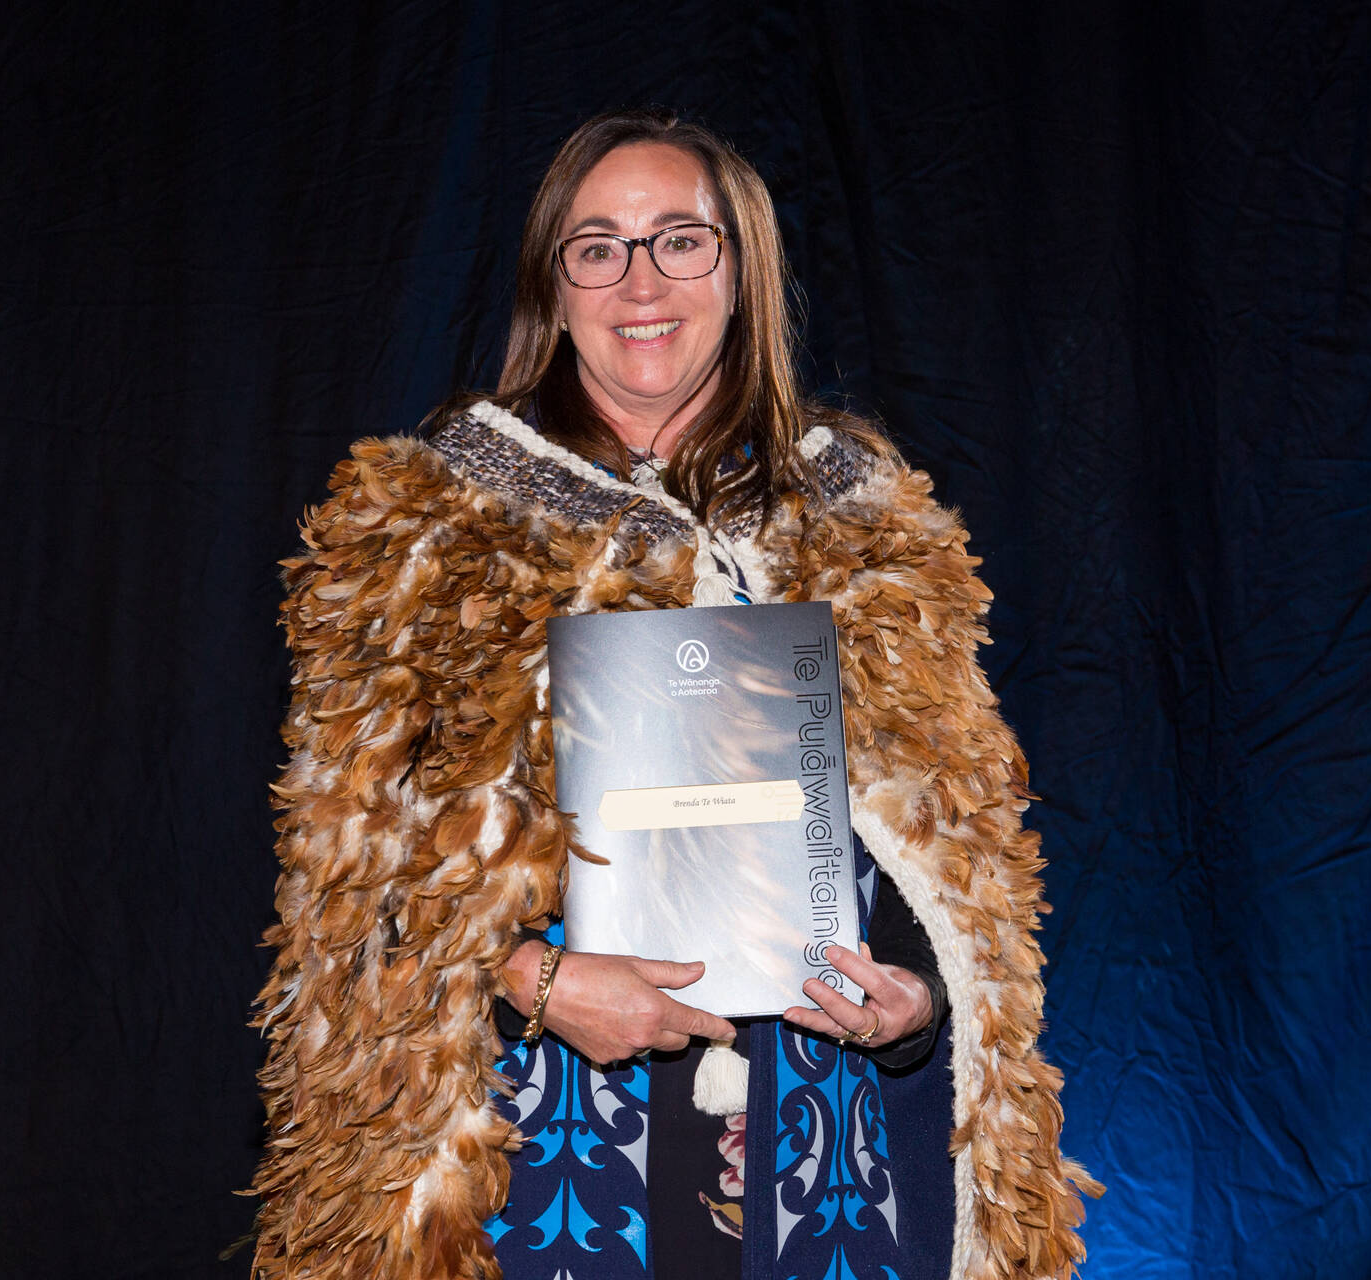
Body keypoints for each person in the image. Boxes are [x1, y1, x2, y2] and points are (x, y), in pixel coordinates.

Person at [249, 108, 1098, 1280]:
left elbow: (951, 863)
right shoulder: (431, 523)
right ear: (555, 288)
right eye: (597, 247)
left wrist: (914, 1002)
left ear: (741, 272)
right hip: (530, 1135)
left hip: (822, 1145)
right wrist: (534, 979)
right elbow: (349, 884)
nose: (640, 280)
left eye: (681, 240)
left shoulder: (867, 518)